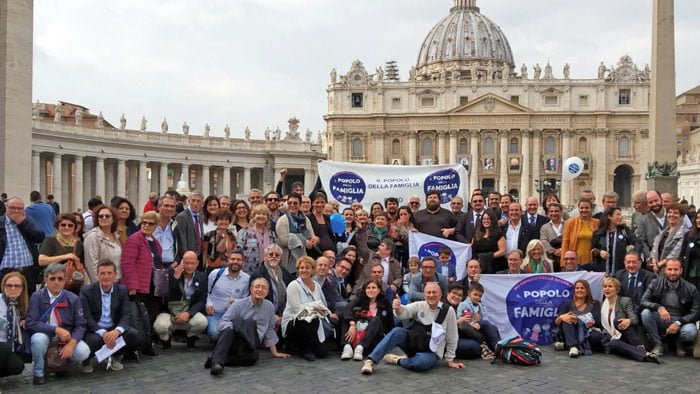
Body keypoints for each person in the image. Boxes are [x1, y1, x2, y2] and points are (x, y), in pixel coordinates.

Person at [360, 282, 463, 374]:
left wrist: (450, 360)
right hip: (414, 343)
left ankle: (397, 360)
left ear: (440, 294)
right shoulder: (419, 305)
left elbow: (452, 336)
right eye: (428, 292)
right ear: (424, 294)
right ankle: (370, 361)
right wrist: (398, 307)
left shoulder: (449, 311)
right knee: (397, 331)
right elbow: (404, 313)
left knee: (421, 364)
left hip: (431, 352)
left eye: (434, 292)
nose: (431, 295)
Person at [207, 278, 290, 375]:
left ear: (267, 292)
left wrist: (275, 352)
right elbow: (223, 321)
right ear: (251, 289)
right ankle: (217, 364)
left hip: (251, 343)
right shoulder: (238, 304)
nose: (260, 289)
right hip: (235, 340)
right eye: (257, 286)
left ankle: (215, 359)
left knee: (253, 358)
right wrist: (234, 327)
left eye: (263, 288)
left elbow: (269, 329)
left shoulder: (269, 306)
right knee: (239, 323)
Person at [26, 263, 90, 385]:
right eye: (52, 278)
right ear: (46, 279)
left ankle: (61, 366)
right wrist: (56, 329)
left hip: (65, 338)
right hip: (45, 335)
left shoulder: (73, 298)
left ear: (65, 280)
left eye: (60, 279)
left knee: (83, 351)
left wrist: (71, 345)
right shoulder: (37, 296)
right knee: (38, 340)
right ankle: (39, 372)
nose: (56, 282)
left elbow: (80, 325)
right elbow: (31, 322)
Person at [80, 260, 147, 372]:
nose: (106, 277)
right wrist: (103, 333)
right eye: (102, 273)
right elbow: (87, 318)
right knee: (94, 341)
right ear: (97, 275)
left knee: (133, 334)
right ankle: (87, 359)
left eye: (109, 273)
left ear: (115, 275)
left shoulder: (122, 290)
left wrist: (117, 331)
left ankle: (115, 356)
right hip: (95, 330)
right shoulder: (87, 291)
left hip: (113, 328)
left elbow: (126, 315)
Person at [640, 259, 700, 357]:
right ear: (665, 270)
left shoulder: (691, 288)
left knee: (691, 332)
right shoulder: (655, 283)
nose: (672, 272)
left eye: (676, 269)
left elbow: (696, 312)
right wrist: (659, 307)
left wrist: (678, 323)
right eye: (670, 269)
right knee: (645, 313)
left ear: (681, 270)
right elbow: (643, 301)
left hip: (681, 320)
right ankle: (658, 344)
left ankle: (678, 342)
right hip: (661, 318)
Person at [281, 256, 334, 361]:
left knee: (322, 353)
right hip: (295, 322)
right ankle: (302, 348)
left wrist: (326, 312)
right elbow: (297, 309)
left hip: (314, 322)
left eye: (307, 268)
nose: (304, 270)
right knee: (308, 318)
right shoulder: (293, 286)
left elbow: (322, 304)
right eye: (301, 268)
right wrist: (314, 308)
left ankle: (301, 346)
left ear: (312, 270)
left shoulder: (317, 286)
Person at [153, 251, 208, 349]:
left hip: (188, 312)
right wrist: (175, 278)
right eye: (186, 263)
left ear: (197, 263)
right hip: (170, 312)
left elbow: (201, 300)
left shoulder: (202, 277)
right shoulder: (170, 273)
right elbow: (164, 295)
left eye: (192, 263)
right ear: (181, 262)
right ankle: (166, 339)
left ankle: (190, 337)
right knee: (159, 326)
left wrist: (189, 313)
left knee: (202, 322)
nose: (189, 266)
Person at [597, 277, 659, 363]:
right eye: (605, 286)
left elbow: (635, 319)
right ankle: (645, 354)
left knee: (617, 321)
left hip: (627, 335)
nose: (607, 289)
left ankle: (639, 347)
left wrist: (629, 321)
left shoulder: (625, 301)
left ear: (617, 290)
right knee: (613, 343)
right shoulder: (601, 304)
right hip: (612, 338)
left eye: (610, 286)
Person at [120, 210, 164, 325]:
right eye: (144, 222)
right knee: (139, 317)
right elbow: (127, 264)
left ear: (156, 226)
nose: (146, 225)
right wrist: (133, 286)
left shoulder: (155, 242)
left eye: (150, 223)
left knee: (151, 315)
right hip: (138, 287)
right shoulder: (134, 240)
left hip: (152, 286)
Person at [1, 197, 46, 296]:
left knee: (28, 301)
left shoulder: (27, 221)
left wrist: (23, 223)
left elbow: (39, 237)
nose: (16, 211)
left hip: (27, 271)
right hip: (5, 271)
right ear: (6, 208)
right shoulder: (2, 223)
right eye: (13, 208)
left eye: (20, 208)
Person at [340, 278, 394, 361]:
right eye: (368, 288)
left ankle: (360, 347)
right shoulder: (360, 299)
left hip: (375, 338)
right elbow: (348, 307)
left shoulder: (385, 303)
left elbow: (391, 324)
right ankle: (347, 347)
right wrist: (352, 323)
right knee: (346, 317)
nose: (370, 290)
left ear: (379, 290)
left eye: (373, 288)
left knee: (376, 319)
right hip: (359, 332)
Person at [205, 250, 250, 341]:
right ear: (228, 260)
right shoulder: (215, 274)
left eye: (238, 260)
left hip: (234, 315)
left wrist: (237, 302)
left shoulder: (247, 279)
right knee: (215, 334)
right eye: (233, 259)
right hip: (215, 313)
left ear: (243, 262)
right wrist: (208, 304)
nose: (235, 262)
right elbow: (206, 292)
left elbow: (247, 299)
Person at [553, 279, 601, 357]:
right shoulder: (568, 303)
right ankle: (573, 347)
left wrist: (578, 319)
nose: (579, 290)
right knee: (567, 320)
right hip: (571, 331)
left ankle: (565, 346)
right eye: (577, 288)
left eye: (582, 288)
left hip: (587, 332)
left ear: (587, 290)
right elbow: (556, 322)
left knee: (596, 337)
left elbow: (596, 320)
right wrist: (561, 317)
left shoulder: (595, 303)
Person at [249, 244, 293, 325]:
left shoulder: (286, 274)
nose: (274, 257)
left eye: (277, 255)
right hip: (263, 316)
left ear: (280, 258)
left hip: (284, 315)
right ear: (265, 257)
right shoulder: (257, 274)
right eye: (271, 254)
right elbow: (254, 300)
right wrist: (272, 315)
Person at [276, 193, 318, 274]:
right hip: (288, 260)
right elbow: (284, 241)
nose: (292, 205)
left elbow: (312, 235)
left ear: (300, 205)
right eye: (290, 203)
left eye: (295, 203)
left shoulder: (305, 219)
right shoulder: (283, 220)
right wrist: (303, 241)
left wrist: (313, 241)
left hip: (306, 257)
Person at [456, 282, 501, 356]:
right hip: (467, 327)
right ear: (469, 293)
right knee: (486, 323)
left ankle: (497, 346)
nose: (477, 297)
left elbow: (483, 316)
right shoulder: (464, 304)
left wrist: (479, 319)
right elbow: (461, 319)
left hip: (478, 326)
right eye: (475, 295)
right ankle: (497, 347)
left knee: (493, 327)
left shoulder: (479, 305)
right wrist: (472, 323)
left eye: (480, 296)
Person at [591, 207, 639, 274]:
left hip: (621, 271)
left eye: (621, 215)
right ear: (609, 216)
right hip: (602, 271)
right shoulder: (598, 233)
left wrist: (633, 255)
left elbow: (638, 242)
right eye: (618, 214)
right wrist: (600, 252)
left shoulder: (624, 231)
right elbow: (592, 250)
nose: (621, 217)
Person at [0, 272, 30, 378]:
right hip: (3, 347)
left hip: (7, 348)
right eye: (9, 285)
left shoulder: (20, 305)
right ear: (3, 286)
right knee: (5, 348)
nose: (13, 288)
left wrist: (24, 320)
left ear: (22, 288)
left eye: (17, 286)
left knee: (17, 366)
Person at [83, 205, 122, 284]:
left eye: (107, 216)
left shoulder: (116, 236)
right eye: (100, 216)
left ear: (113, 219)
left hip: (117, 282)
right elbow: (91, 265)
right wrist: (101, 285)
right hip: (102, 284)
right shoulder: (92, 237)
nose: (103, 218)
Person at [238, 204, 278, 275]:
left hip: (267, 271)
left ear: (268, 217)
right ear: (253, 216)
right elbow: (238, 251)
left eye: (264, 214)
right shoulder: (244, 232)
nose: (261, 216)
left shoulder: (271, 234)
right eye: (258, 214)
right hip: (248, 271)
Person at [650, 203, 688, 275]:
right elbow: (655, 247)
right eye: (670, 212)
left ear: (681, 216)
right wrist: (654, 261)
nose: (672, 215)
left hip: (673, 270)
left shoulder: (685, 232)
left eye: (676, 213)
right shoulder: (664, 231)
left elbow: (675, 253)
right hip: (658, 269)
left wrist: (659, 264)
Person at [562, 198, 599, 268]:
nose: (584, 210)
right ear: (578, 209)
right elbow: (565, 243)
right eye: (581, 208)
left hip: (592, 261)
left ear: (591, 209)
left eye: (587, 208)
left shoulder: (597, 222)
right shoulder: (570, 222)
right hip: (575, 262)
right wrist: (564, 263)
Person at [635, 190, 666, 264]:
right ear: (647, 204)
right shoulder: (643, 220)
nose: (654, 204)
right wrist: (649, 257)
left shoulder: (673, 214)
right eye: (650, 202)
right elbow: (641, 241)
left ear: (661, 199)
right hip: (654, 260)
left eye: (656, 200)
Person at [471, 209, 506, 273]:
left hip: (495, 267)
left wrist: (488, 256)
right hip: (479, 267)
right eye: (484, 219)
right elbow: (472, 248)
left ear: (493, 220)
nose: (486, 221)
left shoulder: (499, 234)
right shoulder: (477, 233)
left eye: (488, 219)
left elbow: (503, 251)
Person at [174, 192, 205, 264]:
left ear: (202, 203)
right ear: (189, 201)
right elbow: (182, 240)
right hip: (188, 258)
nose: (195, 203)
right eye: (193, 200)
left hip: (199, 255)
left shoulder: (200, 216)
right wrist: (186, 258)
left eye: (198, 201)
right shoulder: (182, 217)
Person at [153, 195, 178, 268]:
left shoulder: (176, 226)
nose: (169, 209)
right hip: (151, 266)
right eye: (166, 206)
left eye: (172, 206)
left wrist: (176, 262)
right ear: (159, 207)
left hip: (171, 266)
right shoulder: (149, 224)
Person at [540, 202, 565, 271]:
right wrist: (554, 251)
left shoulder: (568, 224)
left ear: (561, 212)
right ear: (548, 213)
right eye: (551, 211)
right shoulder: (544, 227)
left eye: (556, 211)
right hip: (551, 258)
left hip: (566, 258)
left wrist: (563, 250)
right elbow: (543, 241)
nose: (554, 213)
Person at [683, 214, 700, 289]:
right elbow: (682, 253)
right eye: (697, 218)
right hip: (690, 274)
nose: (698, 220)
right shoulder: (689, 235)